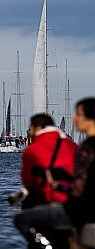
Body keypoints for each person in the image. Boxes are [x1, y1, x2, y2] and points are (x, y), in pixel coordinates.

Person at [14, 98, 95, 249]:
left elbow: (79, 188)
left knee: (22, 220)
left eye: (78, 114)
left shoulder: (86, 148)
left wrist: (57, 186)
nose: (74, 117)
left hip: (81, 211)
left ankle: (47, 246)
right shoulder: (74, 145)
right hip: (86, 208)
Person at [20, 114, 77, 209]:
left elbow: (27, 180)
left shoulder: (32, 149)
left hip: (46, 202)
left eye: (30, 128)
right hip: (72, 202)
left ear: (37, 128)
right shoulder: (73, 146)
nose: (29, 132)